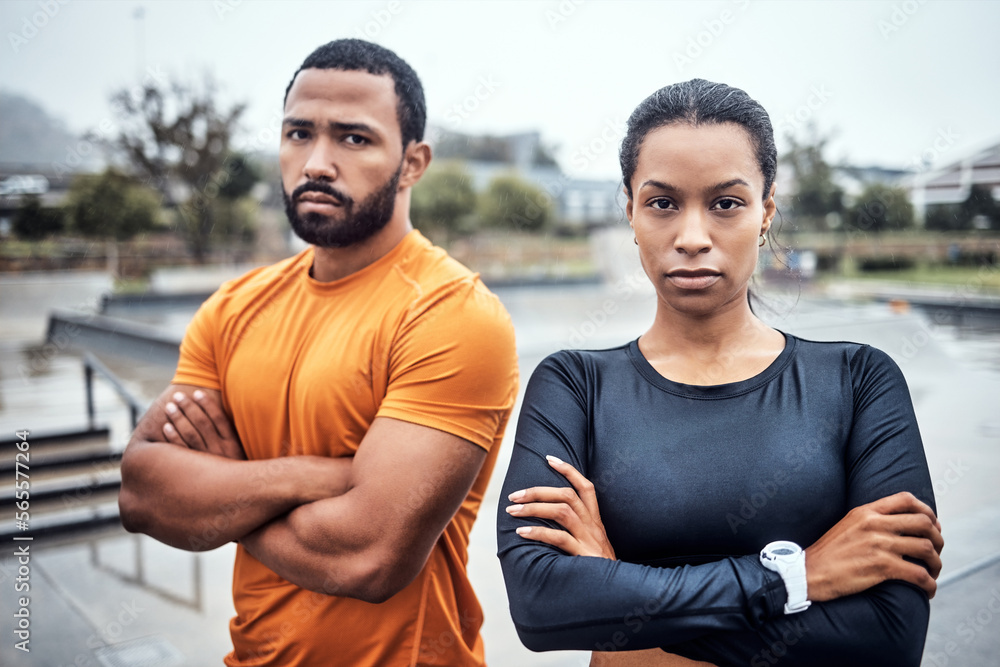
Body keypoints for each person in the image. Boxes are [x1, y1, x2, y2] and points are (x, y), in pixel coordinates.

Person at [496, 79, 943, 667]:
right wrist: (794, 578)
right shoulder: (575, 387)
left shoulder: (858, 381)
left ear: (766, 211)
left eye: (726, 203)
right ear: (629, 211)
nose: (692, 238)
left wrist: (619, 601)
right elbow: (539, 607)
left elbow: (889, 637)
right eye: (662, 203)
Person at [118, 39, 518, 667]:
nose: (317, 163)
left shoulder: (451, 315)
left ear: (413, 163)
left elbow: (370, 557)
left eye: (354, 139)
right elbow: (143, 496)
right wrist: (310, 477)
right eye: (299, 133)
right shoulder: (233, 307)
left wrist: (224, 493)